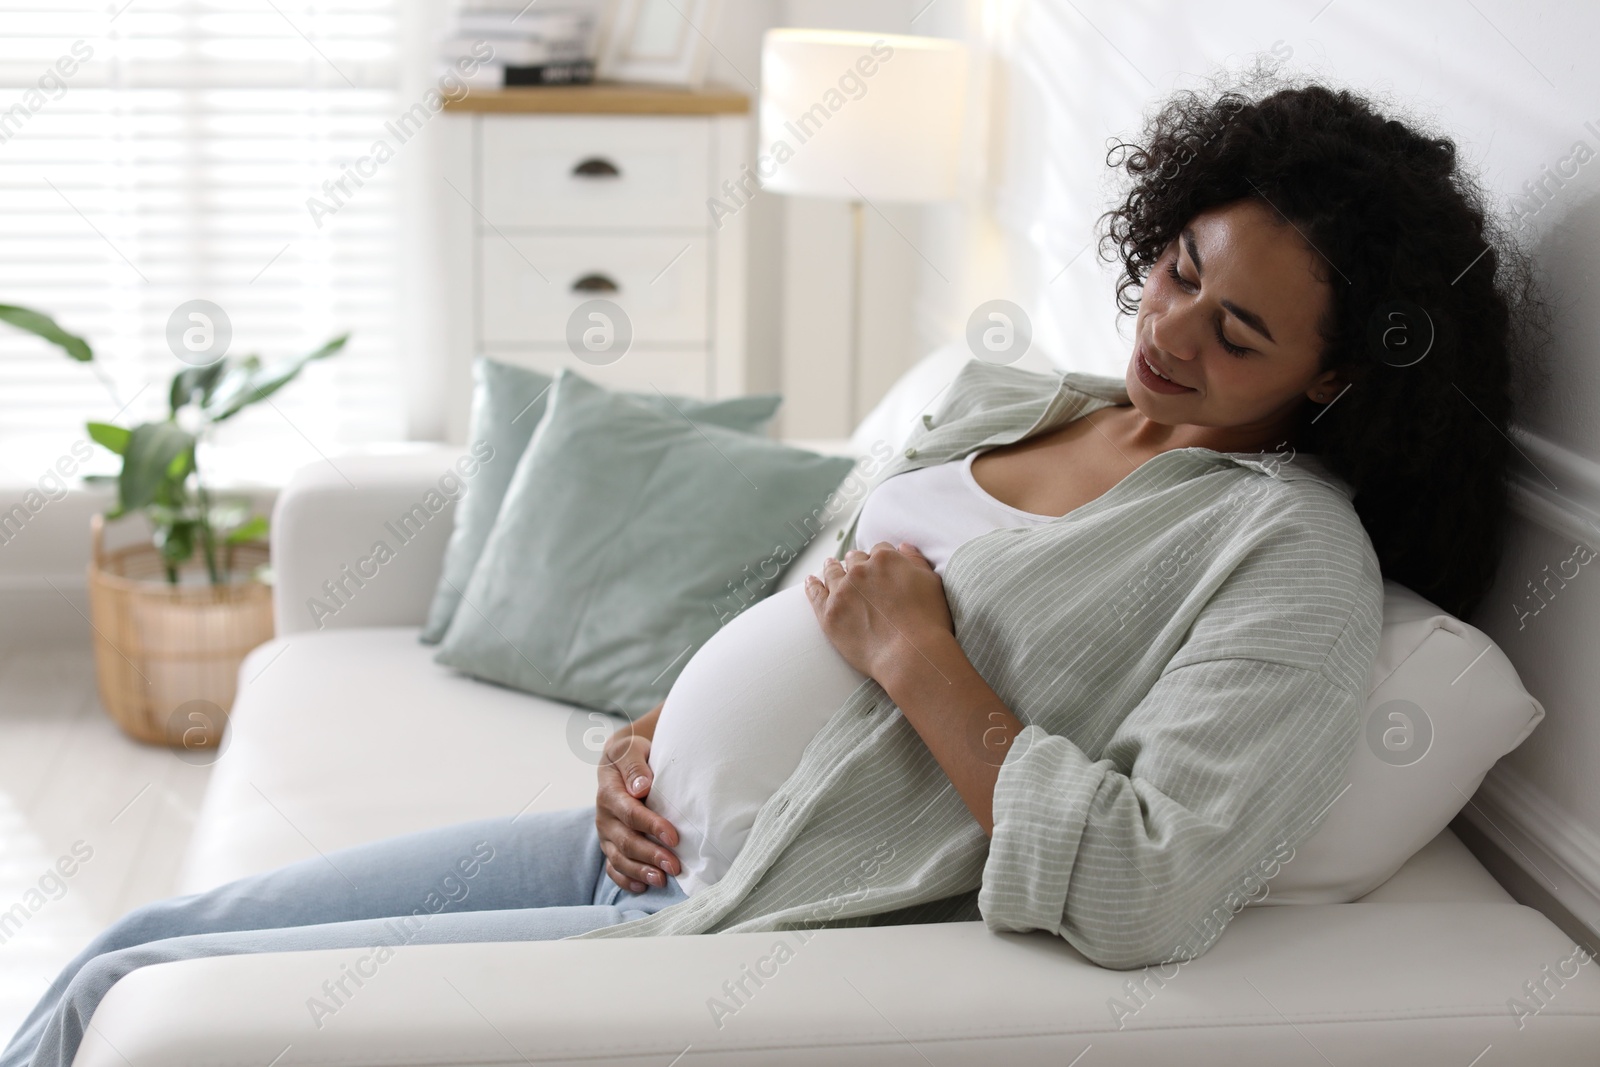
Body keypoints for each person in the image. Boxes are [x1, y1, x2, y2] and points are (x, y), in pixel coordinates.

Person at [3, 75, 1540, 1067]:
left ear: (1338, 384)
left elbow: (1152, 883)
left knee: (133, 1017)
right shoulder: (1039, 400)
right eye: (1178, 269)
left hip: (724, 922)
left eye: (1240, 334)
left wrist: (924, 662)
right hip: (624, 840)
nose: (1172, 331)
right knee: (134, 946)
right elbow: (806, 601)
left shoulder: (1285, 559)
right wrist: (647, 742)